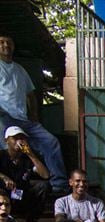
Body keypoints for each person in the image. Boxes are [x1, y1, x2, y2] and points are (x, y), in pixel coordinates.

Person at [0, 34, 67, 192]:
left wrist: (35, 117)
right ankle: (6, 186)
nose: (5, 45)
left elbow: (31, 95)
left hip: (23, 119)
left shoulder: (20, 69)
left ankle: (59, 185)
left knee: (51, 142)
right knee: (6, 147)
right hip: (4, 116)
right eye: (1, 42)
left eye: (9, 42)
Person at [0, 126, 47, 219]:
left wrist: (29, 153)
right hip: (4, 191)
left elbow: (45, 175)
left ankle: (32, 219)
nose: (19, 141)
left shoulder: (30, 156)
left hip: (22, 190)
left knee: (42, 185)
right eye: (15, 138)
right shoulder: (1, 155)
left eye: (21, 138)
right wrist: (4, 177)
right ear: (7, 140)